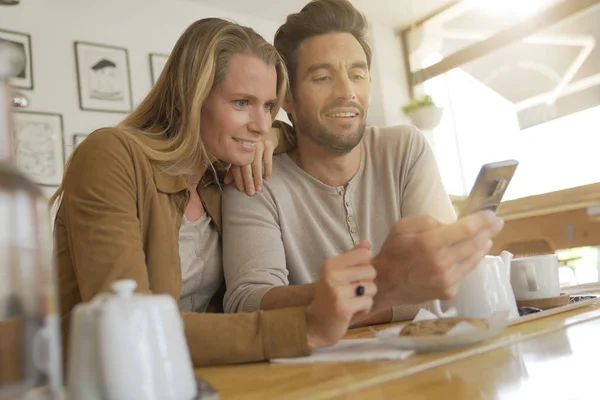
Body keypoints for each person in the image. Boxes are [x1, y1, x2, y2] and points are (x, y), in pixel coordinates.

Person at [52, 17, 378, 367]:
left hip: (204, 376)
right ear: (190, 97)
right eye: (241, 103)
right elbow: (129, 325)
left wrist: (275, 135)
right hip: (107, 380)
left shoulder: (220, 171)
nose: (260, 124)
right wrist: (302, 329)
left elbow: (301, 134)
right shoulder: (111, 155)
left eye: (268, 106)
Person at [222, 0, 504, 324]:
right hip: (321, 371)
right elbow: (248, 304)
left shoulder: (404, 149)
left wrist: (347, 301)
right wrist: (386, 288)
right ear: (287, 97)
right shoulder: (255, 181)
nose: (347, 92)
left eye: (358, 74)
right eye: (323, 77)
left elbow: (442, 282)